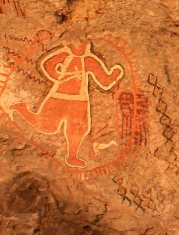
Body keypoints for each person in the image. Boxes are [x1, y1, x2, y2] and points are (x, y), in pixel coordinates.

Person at [10, 40, 124, 168]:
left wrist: (114, 75)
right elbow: (47, 64)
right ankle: (22, 109)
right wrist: (56, 76)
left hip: (79, 101)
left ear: (87, 46)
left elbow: (104, 80)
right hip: (57, 97)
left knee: (78, 129)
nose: (79, 47)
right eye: (75, 44)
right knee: (46, 126)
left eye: (82, 44)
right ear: (68, 44)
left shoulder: (89, 60)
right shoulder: (64, 55)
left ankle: (72, 156)